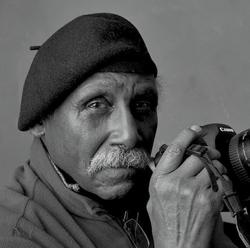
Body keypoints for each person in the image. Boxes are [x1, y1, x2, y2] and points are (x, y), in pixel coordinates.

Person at [0, 13, 239, 248]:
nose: (129, 135)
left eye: (142, 105)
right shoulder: (15, 234)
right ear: (40, 120)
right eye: (96, 105)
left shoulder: (175, 195)